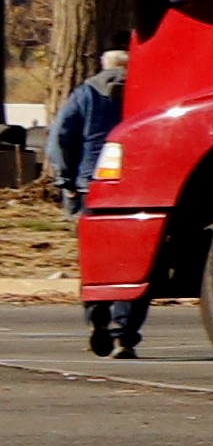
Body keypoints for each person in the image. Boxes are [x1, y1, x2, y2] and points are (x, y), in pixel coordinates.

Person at [60, 51, 136, 357]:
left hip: (91, 183)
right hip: (135, 185)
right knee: (131, 263)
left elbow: (62, 137)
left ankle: (98, 320)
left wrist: (67, 181)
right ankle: (125, 334)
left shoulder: (85, 94)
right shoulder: (143, 93)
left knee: (96, 261)